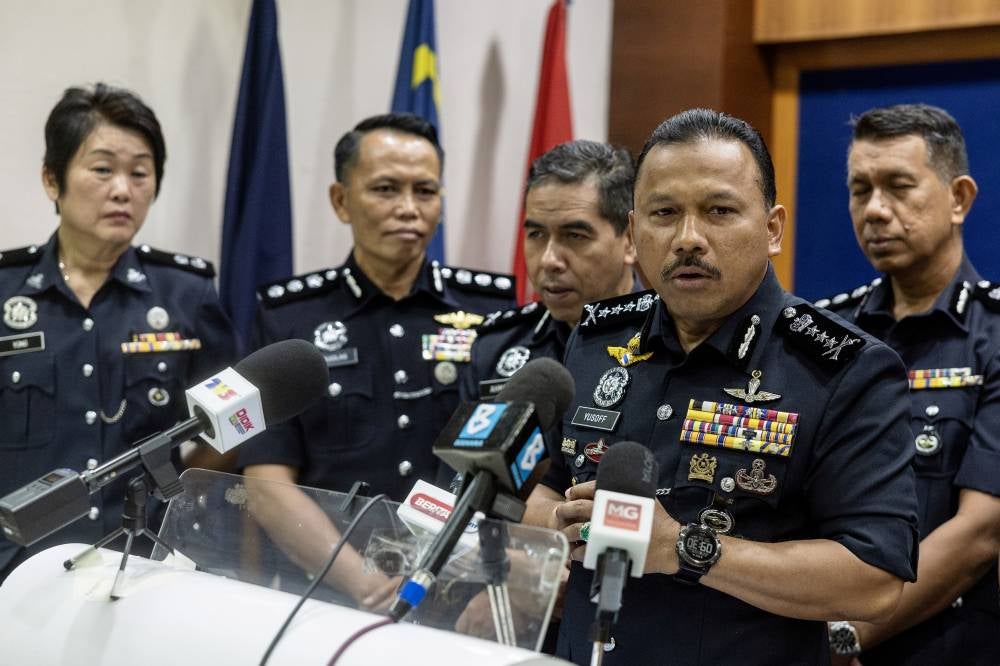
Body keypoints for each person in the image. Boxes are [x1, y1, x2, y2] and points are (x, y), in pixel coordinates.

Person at [524, 108, 920, 665]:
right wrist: (554, 526)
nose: (688, 239)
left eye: (719, 211)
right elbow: (551, 487)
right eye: (664, 213)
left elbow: (874, 581)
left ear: (772, 228)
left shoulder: (842, 369)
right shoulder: (597, 339)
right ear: (635, 233)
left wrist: (682, 548)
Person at [236, 113, 515, 607]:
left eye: (425, 191)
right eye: (386, 189)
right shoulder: (289, 318)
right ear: (341, 201)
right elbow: (266, 482)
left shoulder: (490, 312)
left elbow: (511, 473)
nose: (408, 208)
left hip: (458, 595)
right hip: (329, 596)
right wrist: (360, 580)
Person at [0, 83, 238, 581]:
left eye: (140, 173)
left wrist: (183, 497)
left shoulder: (185, 293)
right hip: (18, 570)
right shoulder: (5, 291)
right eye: (103, 169)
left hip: (143, 567)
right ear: (52, 179)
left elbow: (238, 418)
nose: (123, 190)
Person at [818, 103, 1000, 665]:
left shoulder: (993, 335)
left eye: (899, 187)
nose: (875, 210)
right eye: (859, 189)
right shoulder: (823, 333)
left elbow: (980, 531)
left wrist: (847, 635)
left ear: (959, 199)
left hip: (948, 645)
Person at [461, 139, 637, 404]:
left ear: (631, 240)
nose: (548, 260)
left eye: (575, 236)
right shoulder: (495, 349)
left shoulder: (674, 344)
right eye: (536, 234)